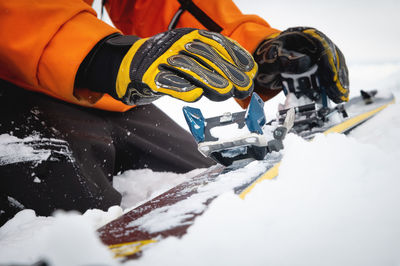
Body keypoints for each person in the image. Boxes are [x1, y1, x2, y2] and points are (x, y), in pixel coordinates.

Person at [0, 0, 349, 226]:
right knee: (70, 223)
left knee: (217, 187)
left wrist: (254, 48)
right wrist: (100, 56)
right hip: (11, 84)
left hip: (96, 86)